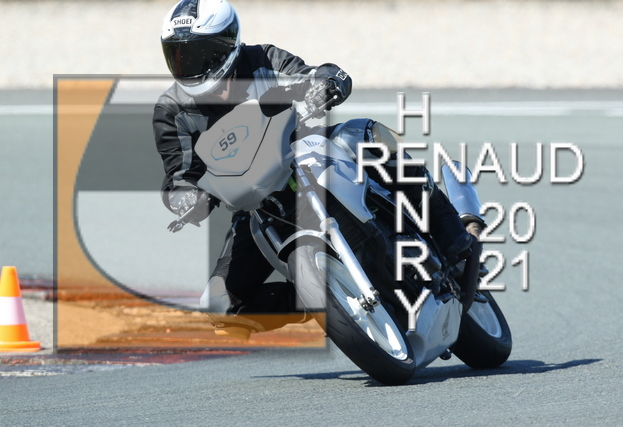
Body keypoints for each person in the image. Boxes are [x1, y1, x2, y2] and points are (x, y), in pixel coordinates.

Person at [154, 0, 475, 338]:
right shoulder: (171, 111)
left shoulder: (261, 60)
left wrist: (326, 83)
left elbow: (310, 74)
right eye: (178, 55)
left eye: (197, 54)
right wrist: (184, 198)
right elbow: (180, 173)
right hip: (259, 206)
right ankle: (327, 301)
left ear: (226, 45)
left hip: (307, 155)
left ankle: (446, 224)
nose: (187, 65)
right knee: (220, 307)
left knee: (364, 134)